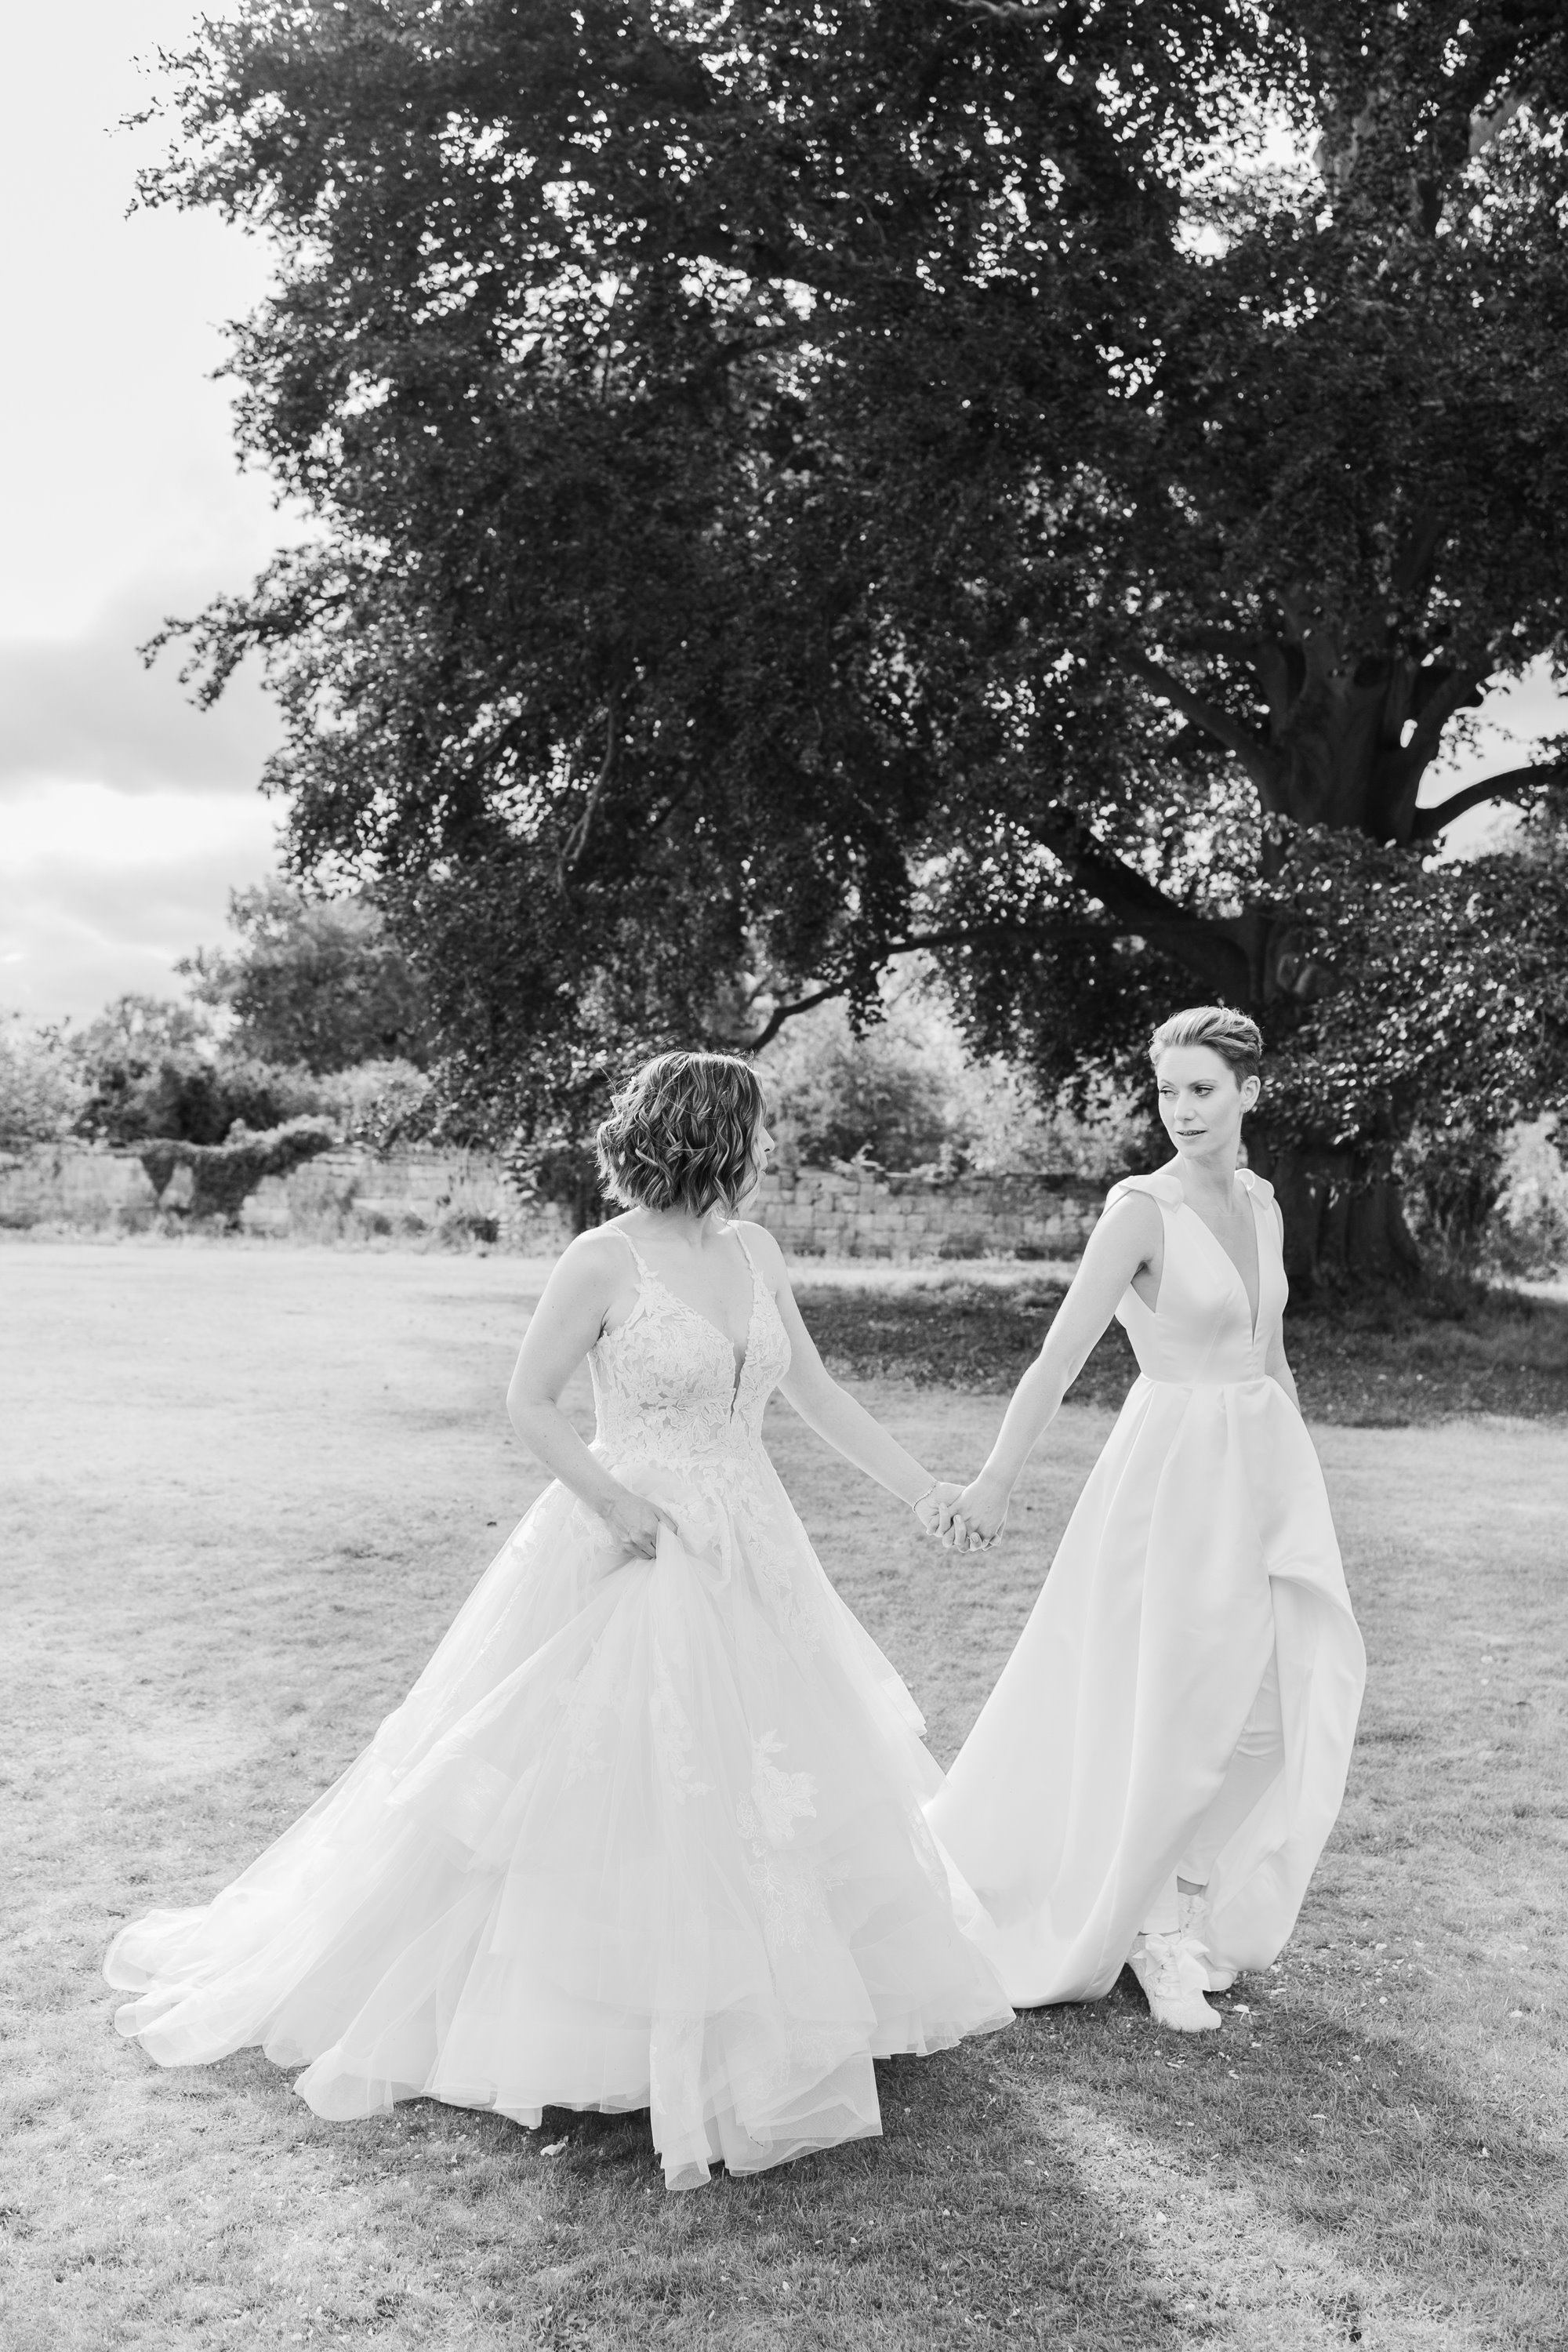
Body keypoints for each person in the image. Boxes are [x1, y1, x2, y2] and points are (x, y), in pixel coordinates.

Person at [107, 1051, 1010, 2190]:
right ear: (712, 1134)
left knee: (772, 1769)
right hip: (628, 1537)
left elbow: (813, 1395)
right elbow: (528, 1404)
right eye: (755, 1131)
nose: (764, 1152)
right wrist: (616, 1502)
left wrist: (923, 1489)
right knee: (615, 1773)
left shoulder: (756, 1252)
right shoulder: (603, 1257)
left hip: (753, 1543)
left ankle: (791, 1994)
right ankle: (622, 2022)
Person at [926, 1005, 1366, 2031]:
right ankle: (1156, 1936)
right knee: (1173, 1702)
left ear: (1251, 1093)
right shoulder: (1140, 1211)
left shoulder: (1260, 1202)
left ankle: (1187, 1892)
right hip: (1171, 1478)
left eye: (1203, 1089)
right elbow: (1058, 1357)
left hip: (1264, 1472)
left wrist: (1300, 1481)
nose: (1182, 1110)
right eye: (1168, 1091)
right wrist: (993, 1479)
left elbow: (1272, 1354)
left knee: (1275, 1701)